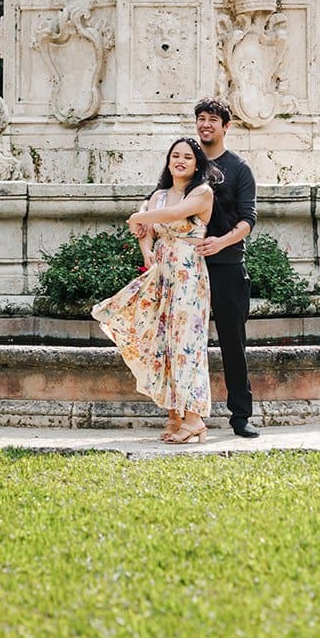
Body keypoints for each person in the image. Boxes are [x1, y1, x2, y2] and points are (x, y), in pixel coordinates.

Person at [92, 139, 215, 444]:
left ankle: (195, 418)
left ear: (197, 163)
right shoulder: (158, 195)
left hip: (188, 272)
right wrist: (146, 249)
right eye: (175, 156)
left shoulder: (202, 192)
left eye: (187, 156)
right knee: (162, 340)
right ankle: (175, 415)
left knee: (186, 342)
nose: (181, 161)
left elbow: (172, 216)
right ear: (168, 161)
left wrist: (139, 215)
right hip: (163, 271)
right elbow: (144, 230)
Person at [193, 97, 259, 438]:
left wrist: (221, 242)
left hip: (228, 265)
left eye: (212, 120)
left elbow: (248, 220)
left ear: (225, 126)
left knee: (233, 342)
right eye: (201, 119)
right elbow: (165, 197)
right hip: (190, 268)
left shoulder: (239, 168)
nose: (206, 124)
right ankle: (190, 415)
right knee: (188, 342)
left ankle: (240, 416)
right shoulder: (188, 162)